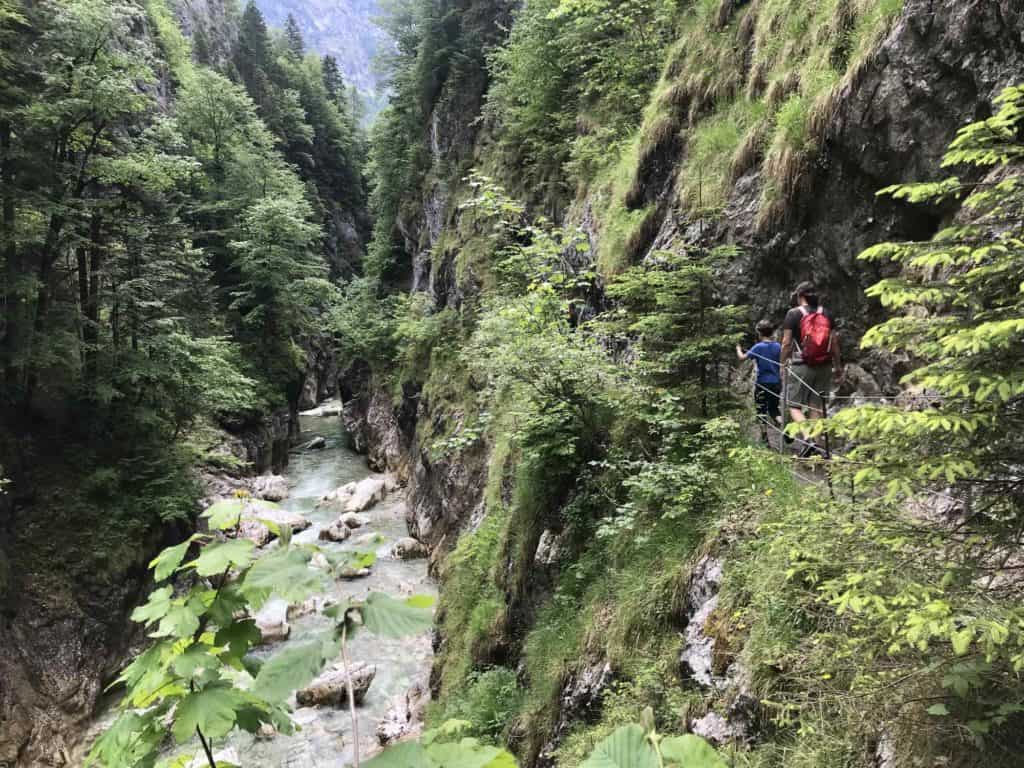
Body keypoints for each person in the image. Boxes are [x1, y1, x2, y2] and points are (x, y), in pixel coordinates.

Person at [780, 281, 843, 458]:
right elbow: (835, 343)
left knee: (793, 405)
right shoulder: (827, 314)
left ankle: (808, 439)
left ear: (800, 296)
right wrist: (838, 368)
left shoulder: (793, 314)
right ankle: (817, 445)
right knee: (816, 405)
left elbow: (786, 343)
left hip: (802, 365)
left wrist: (782, 363)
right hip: (824, 366)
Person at [736, 320, 781, 445]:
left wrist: (738, 349)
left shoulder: (758, 347)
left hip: (763, 383)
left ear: (759, 333)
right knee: (774, 410)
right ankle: (784, 427)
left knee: (761, 410)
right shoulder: (778, 346)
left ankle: (765, 438)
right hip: (776, 383)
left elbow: (742, 358)